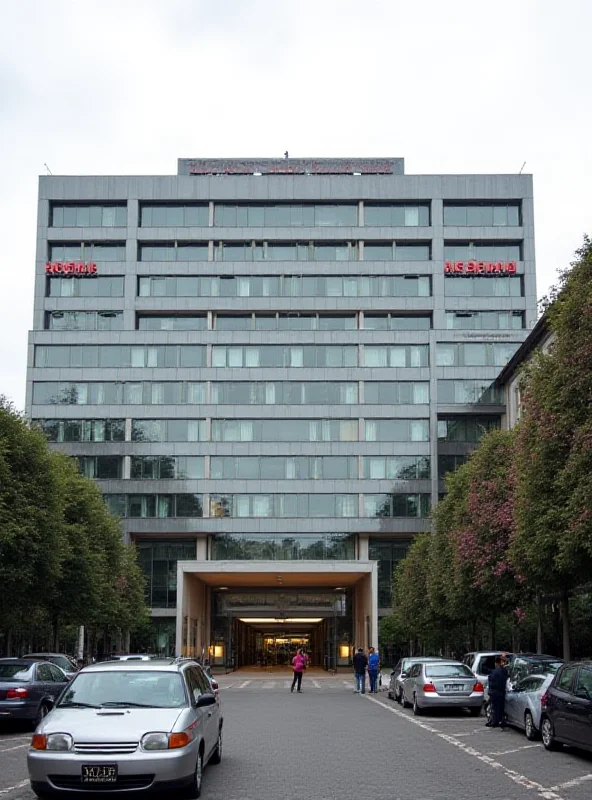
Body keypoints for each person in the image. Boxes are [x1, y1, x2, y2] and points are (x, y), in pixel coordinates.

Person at [486, 655, 509, 728]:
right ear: (501, 662)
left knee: (495, 707)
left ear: (496, 663)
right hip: (500, 691)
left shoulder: (493, 671)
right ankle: (498, 720)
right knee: (499, 707)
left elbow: (490, 681)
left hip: (493, 691)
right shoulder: (503, 670)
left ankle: (494, 721)